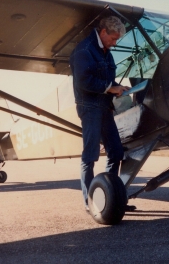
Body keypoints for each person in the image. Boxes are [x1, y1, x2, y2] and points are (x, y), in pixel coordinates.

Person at [69, 16, 130, 213]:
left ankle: (111, 198)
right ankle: (91, 202)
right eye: (113, 38)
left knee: (116, 152)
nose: (114, 43)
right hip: (89, 107)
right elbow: (83, 82)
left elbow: (108, 81)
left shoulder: (106, 52)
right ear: (103, 32)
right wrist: (110, 88)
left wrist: (118, 88)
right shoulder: (84, 50)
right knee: (90, 155)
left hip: (104, 107)